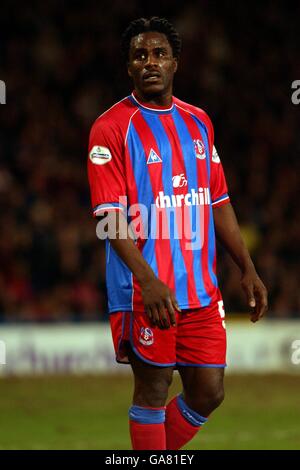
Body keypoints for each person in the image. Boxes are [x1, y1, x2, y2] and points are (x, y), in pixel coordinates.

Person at [87, 17, 268, 450]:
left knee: (209, 392)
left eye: (159, 54)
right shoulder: (111, 128)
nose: (150, 62)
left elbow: (217, 200)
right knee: (152, 391)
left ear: (176, 64)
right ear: (129, 67)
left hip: (200, 292)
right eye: (140, 56)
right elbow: (108, 218)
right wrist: (148, 281)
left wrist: (247, 266)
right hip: (144, 289)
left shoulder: (199, 122)